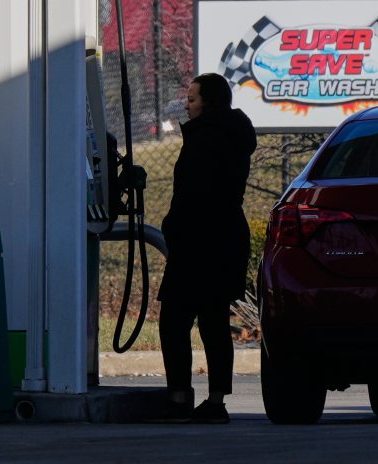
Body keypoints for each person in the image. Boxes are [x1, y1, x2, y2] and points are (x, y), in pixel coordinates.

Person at [157, 73, 257, 423]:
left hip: (199, 239)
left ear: (209, 103)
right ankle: (216, 401)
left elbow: (191, 194)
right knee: (214, 321)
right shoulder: (235, 134)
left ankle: (179, 396)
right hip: (227, 237)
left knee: (174, 319)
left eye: (192, 99)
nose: (187, 105)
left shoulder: (205, 139)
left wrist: (172, 228)